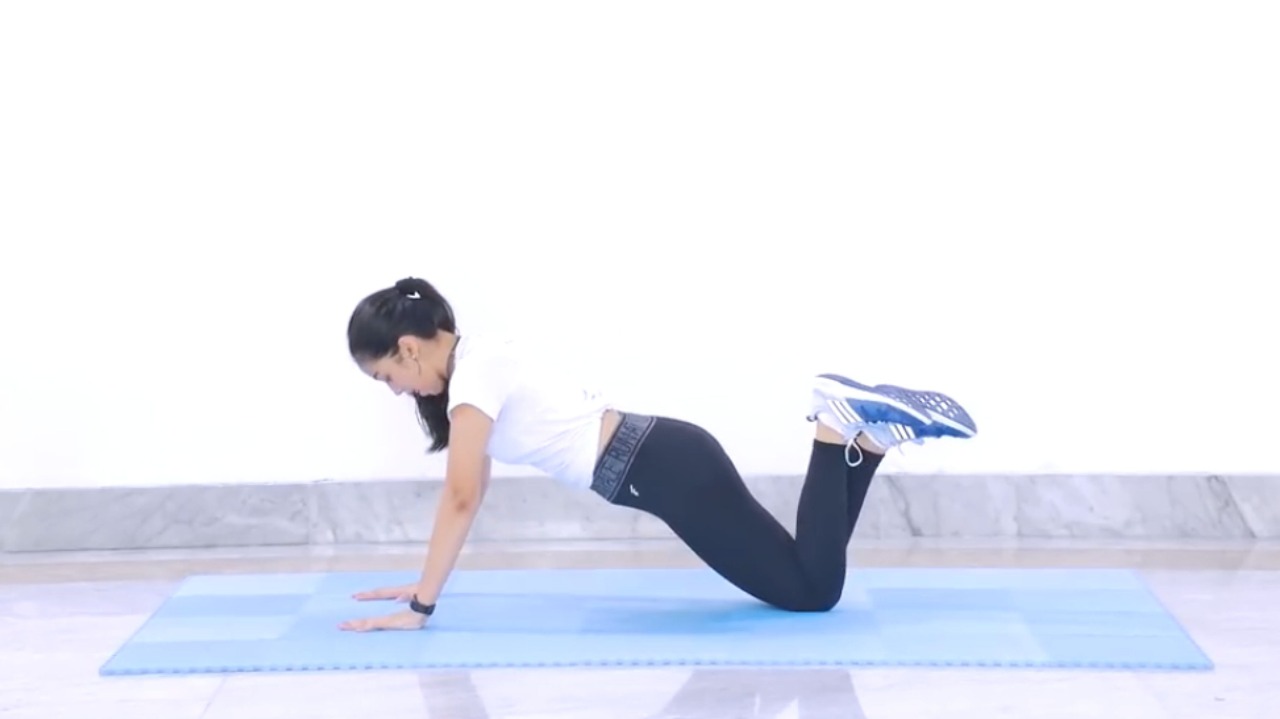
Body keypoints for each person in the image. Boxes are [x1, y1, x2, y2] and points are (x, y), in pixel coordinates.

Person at [337, 277, 977, 632]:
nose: (396, 391)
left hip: (668, 473)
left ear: (408, 348)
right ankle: (865, 443)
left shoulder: (473, 380)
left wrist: (421, 608)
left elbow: (459, 497)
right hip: (670, 460)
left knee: (812, 592)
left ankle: (834, 429)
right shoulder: (480, 361)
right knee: (807, 576)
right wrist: (426, 586)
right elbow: (472, 490)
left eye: (387, 376)